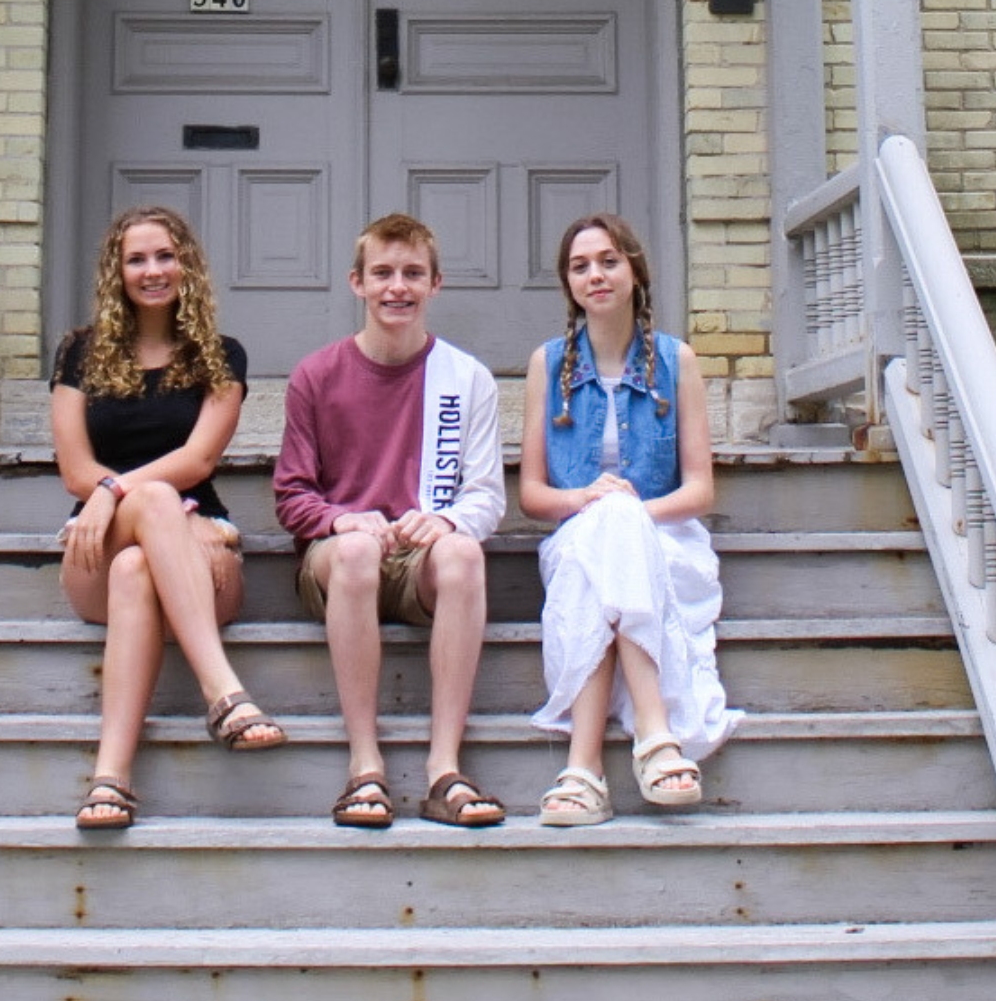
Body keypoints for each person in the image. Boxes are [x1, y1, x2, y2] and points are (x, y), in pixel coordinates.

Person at [51, 205, 283, 831]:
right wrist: (103, 496)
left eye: (164, 256)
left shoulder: (219, 355)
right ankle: (224, 695)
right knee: (146, 512)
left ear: (187, 265)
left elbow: (199, 458)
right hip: (93, 546)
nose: (152, 271)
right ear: (116, 271)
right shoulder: (79, 352)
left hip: (199, 550)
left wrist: (110, 489)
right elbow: (74, 467)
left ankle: (109, 778)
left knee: (136, 569)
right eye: (137, 259)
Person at [273, 213, 507, 829]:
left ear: (436, 284)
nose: (396, 287)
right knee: (353, 555)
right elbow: (292, 497)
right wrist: (343, 521)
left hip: (418, 560)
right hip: (342, 561)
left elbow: (486, 495)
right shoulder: (316, 376)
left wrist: (450, 523)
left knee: (464, 554)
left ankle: (443, 771)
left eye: (411, 274)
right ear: (357, 283)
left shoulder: (467, 378)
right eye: (382, 273)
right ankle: (365, 767)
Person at [518, 213, 738, 827]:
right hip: (580, 535)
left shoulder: (676, 360)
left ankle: (583, 767)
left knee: (613, 543)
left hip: (668, 536)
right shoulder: (548, 363)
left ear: (635, 271)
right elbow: (534, 495)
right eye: (580, 265)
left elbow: (699, 490)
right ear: (567, 283)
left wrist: (627, 515)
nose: (595, 275)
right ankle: (656, 737)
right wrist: (593, 503)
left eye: (609, 261)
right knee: (606, 537)